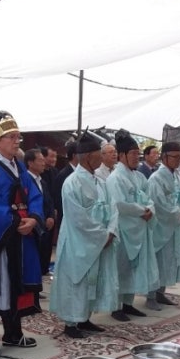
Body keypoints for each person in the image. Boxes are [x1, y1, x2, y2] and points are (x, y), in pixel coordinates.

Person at [0, 111, 42, 359]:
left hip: (21, 233)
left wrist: (33, 217)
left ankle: (14, 332)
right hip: (0, 237)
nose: (17, 141)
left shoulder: (20, 167)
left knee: (17, 284)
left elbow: (34, 193)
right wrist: (14, 221)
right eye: (11, 137)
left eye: (17, 137)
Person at [50, 130, 118, 338]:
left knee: (92, 280)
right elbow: (78, 217)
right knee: (76, 281)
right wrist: (102, 235)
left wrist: (111, 230)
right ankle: (71, 323)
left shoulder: (100, 181)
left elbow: (112, 206)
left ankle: (85, 318)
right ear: (89, 156)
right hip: (77, 241)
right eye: (99, 154)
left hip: (98, 239)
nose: (102, 158)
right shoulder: (72, 183)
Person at [106, 129, 156, 321]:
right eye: (133, 154)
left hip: (138, 228)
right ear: (121, 156)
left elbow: (149, 198)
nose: (136, 157)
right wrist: (142, 211)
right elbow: (119, 204)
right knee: (120, 268)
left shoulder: (139, 177)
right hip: (123, 229)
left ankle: (128, 303)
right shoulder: (115, 178)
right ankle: (116, 306)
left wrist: (150, 209)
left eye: (138, 153)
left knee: (132, 269)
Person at [146, 142, 180, 310]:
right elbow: (159, 204)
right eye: (175, 157)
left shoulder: (178, 175)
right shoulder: (156, 178)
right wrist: (178, 213)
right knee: (158, 260)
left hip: (175, 223)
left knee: (170, 260)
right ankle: (150, 295)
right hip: (162, 226)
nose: (178, 160)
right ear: (164, 157)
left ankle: (161, 292)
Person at [24, 148, 56, 276]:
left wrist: (51, 216)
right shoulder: (25, 180)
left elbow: (49, 201)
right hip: (34, 226)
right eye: (40, 160)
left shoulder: (42, 181)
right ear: (30, 163)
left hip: (46, 225)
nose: (44, 163)